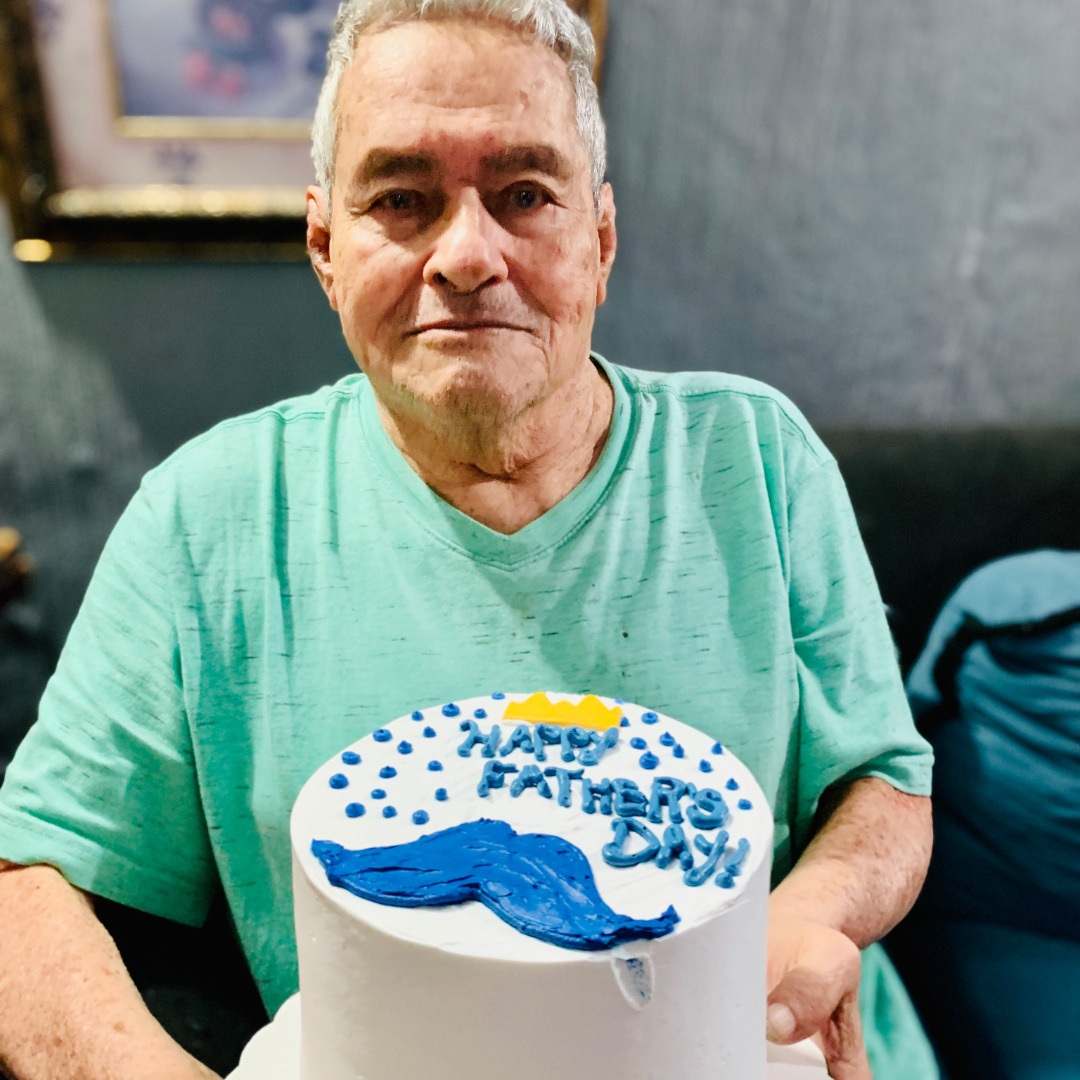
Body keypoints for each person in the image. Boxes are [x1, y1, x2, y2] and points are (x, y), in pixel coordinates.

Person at [0, 2, 935, 1078]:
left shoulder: (757, 457)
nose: (465, 256)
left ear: (600, 242)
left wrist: (808, 920)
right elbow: (26, 891)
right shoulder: (205, 520)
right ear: (325, 248)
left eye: (525, 194)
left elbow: (886, 782)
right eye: (402, 200)